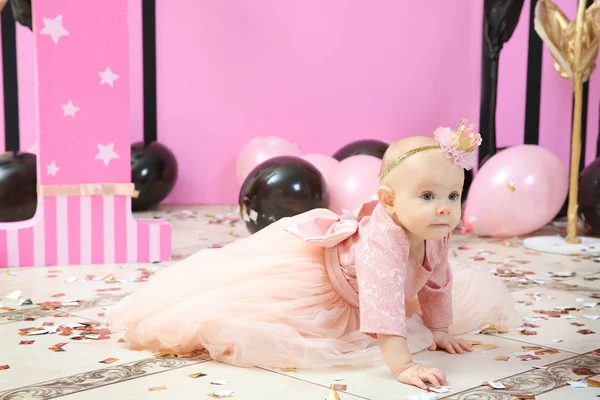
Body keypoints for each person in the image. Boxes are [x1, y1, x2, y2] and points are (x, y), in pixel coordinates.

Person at [106, 119, 522, 390]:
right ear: (389, 202)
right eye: (428, 196)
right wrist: (403, 366)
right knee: (241, 309)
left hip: (366, 283)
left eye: (453, 194)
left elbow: (437, 279)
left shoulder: (436, 228)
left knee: (437, 289)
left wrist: (440, 328)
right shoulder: (383, 241)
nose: (445, 207)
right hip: (324, 280)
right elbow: (382, 305)